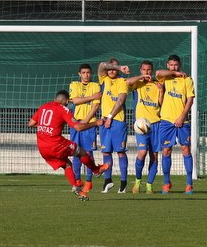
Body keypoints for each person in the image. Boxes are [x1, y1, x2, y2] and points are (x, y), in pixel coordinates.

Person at [28, 90, 109, 201]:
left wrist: (47, 127)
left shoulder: (43, 107)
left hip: (42, 147)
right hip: (56, 144)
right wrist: (96, 123)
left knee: (67, 164)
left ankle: (77, 188)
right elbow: (78, 128)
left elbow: (31, 123)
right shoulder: (63, 109)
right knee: (81, 152)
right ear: (66, 101)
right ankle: (95, 170)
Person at [155, 55, 195, 194]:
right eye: (171, 65)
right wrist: (174, 73)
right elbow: (157, 73)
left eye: (176, 65)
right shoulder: (165, 77)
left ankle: (189, 184)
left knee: (186, 150)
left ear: (180, 65)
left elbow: (190, 100)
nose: (174, 67)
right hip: (166, 120)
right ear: (168, 65)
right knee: (166, 151)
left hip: (182, 121)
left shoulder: (187, 79)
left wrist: (182, 117)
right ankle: (166, 183)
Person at [126, 60, 163, 194]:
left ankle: (149, 185)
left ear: (152, 71)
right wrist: (141, 78)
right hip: (141, 125)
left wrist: (161, 91)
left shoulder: (157, 85)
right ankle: (137, 181)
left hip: (155, 124)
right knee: (142, 153)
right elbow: (127, 82)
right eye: (144, 70)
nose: (146, 72)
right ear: (141, 71)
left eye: (148, 70)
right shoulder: (138, 84)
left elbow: (160, 103)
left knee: (154, 156)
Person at [97, 58, 130, 193]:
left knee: (120, 152)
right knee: (106, 151)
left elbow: (120, 101)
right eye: (110, 68)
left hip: (117, 121)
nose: (112, 70)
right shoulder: (103, 79)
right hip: (105, 121)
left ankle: (123, 183)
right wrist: (118, 67)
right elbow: (101, 65)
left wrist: (110, 117)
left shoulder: (122, 81)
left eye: (115, 68)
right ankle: (108, 180)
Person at [68, 63, 102, 193]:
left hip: (89, 124)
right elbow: (75, 101)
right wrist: (92, 96)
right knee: (76, 153)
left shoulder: (95, 85)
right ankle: (77, 180)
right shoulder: (74, 85)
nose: (86, 75)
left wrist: (86, 122)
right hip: (76, 124)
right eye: (83, 73)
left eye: (88, 73)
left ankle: (89, 181)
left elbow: (95, 106)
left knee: (88, 153)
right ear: (79, 74)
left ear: (91, 74)